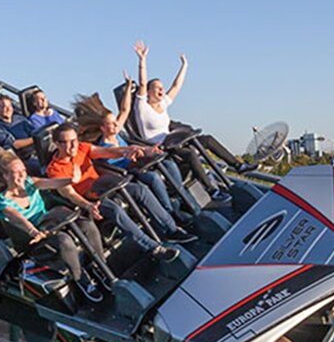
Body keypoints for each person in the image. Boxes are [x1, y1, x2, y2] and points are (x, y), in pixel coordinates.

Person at [47, 123, 193, 261]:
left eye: (74, 140)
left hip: (106, 186)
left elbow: (108, 152)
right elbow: (69, 194)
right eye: (67, 142)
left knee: (140, 190)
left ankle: (171, 230)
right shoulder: (55, 169)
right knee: (115, 209)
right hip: (90, 199)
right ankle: (154, 248)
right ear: (58, 144)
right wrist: (88, 205)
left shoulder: (81, 148)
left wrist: (128, 150)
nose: (73, 145)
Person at [0, 148, 107, 303]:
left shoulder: (30, 183)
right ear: (6, 176)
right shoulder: (1, 202)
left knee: (87, 224)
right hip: (32, 238)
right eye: (16, 172)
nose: (22, 175)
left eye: (23, 171)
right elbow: (18, 219)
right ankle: (80, 279)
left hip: (50, 224)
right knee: (64, 240)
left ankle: (99, 266)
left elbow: (50, 183)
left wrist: (71, 180)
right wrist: (33, 231)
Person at [133, 41, 256, 198]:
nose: (161, 90)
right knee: (190, 154)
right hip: (161, 147)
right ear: (148, 92)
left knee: (207, 139)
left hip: (174, 140)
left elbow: (176, 86)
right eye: (157, 88)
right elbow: (142, 83)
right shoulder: (142, 107)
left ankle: (238, 165)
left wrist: (185, 65)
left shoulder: (163, 104)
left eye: (161, 88)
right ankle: (212, 190)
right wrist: (142, 60)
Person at [74, 77, 189, 222]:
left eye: (116, 122)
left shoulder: (116, 131)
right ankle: (170, 211)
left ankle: (183, 198)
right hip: (126, 172)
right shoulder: (102, 147)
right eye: (111, 124)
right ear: (103, 128)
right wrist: (131, 155)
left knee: (169, 163)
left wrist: (128, 88)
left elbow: (125, 109)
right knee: (153, 178)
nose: (116, 125)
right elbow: (113, 161)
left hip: (138, 163)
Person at [0, 95, 40, 174]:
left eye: (10, 106)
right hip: (21, 160)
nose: (8, 109)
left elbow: (35, 132)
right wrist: (35, 139)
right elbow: (14, 144)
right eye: (3, 107)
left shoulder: (20, 119)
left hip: (37, 152)